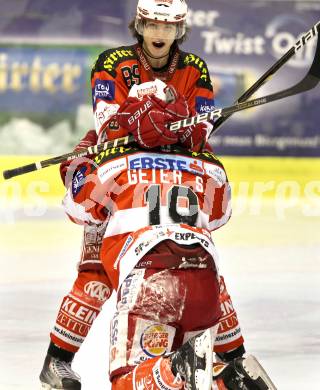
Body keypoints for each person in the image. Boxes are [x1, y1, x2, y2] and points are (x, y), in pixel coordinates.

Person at [39, 0, 274, 388]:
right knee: (96, 273)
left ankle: (232, 359)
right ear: (140, 25)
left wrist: (172, 126)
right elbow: (108, 126)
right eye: (153, 25)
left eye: (169, 26)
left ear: (179, 30)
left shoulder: (194, 68)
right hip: (122, 162)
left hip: (168, 165)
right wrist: (140, 120)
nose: (160, 34)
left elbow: (200, 132)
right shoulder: (112, 62)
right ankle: (57, 360)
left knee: (199, 260)